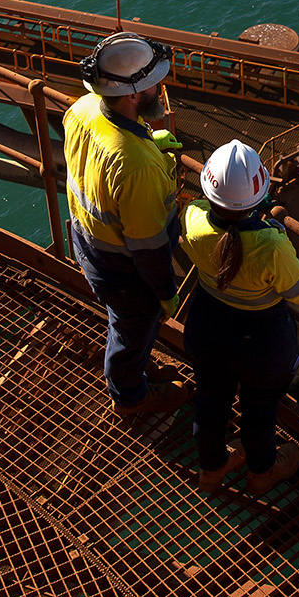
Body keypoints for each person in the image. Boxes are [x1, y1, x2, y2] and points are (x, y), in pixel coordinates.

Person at [178, 140, 299, 494]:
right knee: (259, 410)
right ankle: (262, 472)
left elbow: (209, 218)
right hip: (259, 345)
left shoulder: (192, 220)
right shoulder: (271, 247)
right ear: (258, 196)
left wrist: (254, 218)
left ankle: (211, 469)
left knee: (210, 401)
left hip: (207, 327)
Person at [65, 31, 190, 415]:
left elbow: (107, 157)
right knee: (130, 328)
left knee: (131, 327)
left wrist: (150, 140)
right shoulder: (137, 167)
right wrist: (166, 291)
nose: (160, 88)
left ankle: (136, 363)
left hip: (87, 243)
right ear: (134, 94)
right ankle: (130, 396)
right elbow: (148, 247)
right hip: (124, 269)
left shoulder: (84, 107)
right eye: (155, 85)